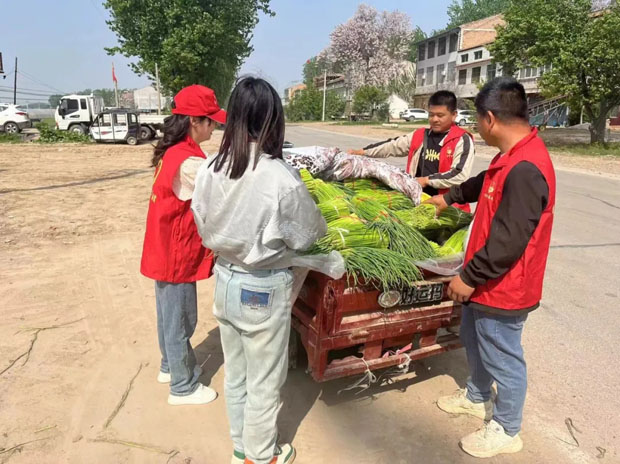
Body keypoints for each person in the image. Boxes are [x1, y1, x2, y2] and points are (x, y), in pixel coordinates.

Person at [192, 77, 326, 464]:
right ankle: (262, 455)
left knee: (237, 373)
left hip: (226, 278)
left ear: (233, 117)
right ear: (272, 120)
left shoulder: (211, 167)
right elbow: (307, 235)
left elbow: (201, 220)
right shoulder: (278, 176)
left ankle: (242, 448)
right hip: (262, 287)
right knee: (265, 379)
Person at [426, 77, 556, 458]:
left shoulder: (527, 168)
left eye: (476, 119)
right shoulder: (511, 155)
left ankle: (507, 428)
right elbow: (485, 183)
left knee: (502, 355)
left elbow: (509, 240)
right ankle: (476, 395)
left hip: (505, 286)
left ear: (490, 120)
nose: (476, 127)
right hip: (487, 280)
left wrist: (469, 277)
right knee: (474, 339)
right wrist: (449, 197)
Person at [140, 84, 226, 405]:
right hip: (176, 252)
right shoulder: (190, 162)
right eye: (210, 121)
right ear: (194, 121)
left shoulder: (174, 151)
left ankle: (169, 366)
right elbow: (222, 189)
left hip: (163, 248)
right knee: (181, 319)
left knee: (168, 314)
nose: (214, 127)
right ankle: (183, 386)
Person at [348, 91, 475, 210]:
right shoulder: (420, 135)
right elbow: (392, 146)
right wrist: (362, 152)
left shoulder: (461, 139)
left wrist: (427, 180)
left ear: (454, 115)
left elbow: (459, 174)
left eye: (440, 115)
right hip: (419, 203)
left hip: (449, 207)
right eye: (431, 115)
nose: (435, 119)